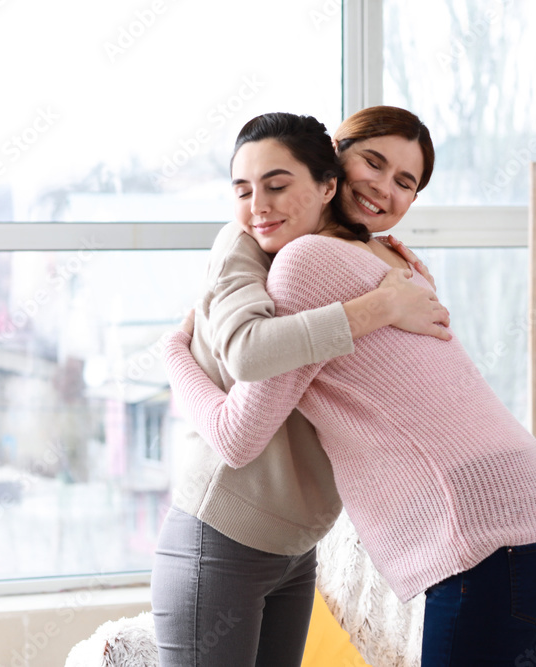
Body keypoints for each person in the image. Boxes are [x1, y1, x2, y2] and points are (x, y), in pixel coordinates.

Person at [162, 114, 536, 666]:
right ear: (337, 160)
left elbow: (238, 432)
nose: (384, 187)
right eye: (374, 163)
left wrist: (172, 355)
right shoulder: (390, 264)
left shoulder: (306, 262)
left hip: (486, 532)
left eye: (405, 182)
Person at [151, 110, 447, 666]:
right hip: (221, 534)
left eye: (404, 181)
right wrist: (173, 355)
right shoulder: (243, 245)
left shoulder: (356, 257)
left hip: (298, 546)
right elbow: (250, 354)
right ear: (340, 168)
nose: (259, 204)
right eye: (244, 189)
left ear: (324, 186)